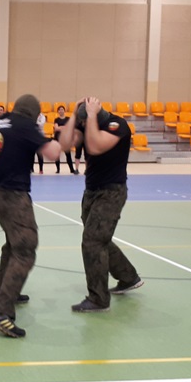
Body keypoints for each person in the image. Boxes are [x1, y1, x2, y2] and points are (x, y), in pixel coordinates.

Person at [0, 94, 62, 338]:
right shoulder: (25, 125)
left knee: (12, 244)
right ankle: (0, 312)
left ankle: (6, 293)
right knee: (25, 248)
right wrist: (67, 134)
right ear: (33, 113)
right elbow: (54, 153)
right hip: (13, 195)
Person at [58, 96, 143, 313]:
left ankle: (98, 299)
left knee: (93, 241)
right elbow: (65, 144)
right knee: (98, 237)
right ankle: (128, 277)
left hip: (111, 192)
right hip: (92, 191)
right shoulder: (85, 123)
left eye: (84, 122)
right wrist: (74, 115)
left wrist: (90, 117)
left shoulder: (117, 125)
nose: (82, 125)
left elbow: (95, 146)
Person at [52, 105, 77, 174]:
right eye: (59, 110)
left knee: (68, 154)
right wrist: (64, 127)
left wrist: (61, 127)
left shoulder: (68, 119)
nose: (61, 111)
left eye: (62, 109)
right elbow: (56, 128)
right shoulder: (56, 119)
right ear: (58, 111)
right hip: (57, 138)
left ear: (64, 110)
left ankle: (71, 169)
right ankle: (58, 169)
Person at [33, 110, 47, 174]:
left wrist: (35, 123)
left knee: (40, 153)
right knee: (31, 154)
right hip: (32, 135)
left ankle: (41, 169)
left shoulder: (42, 116)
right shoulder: (32, 115)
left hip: (40, 135)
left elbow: (41, 125)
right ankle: (31, 168)